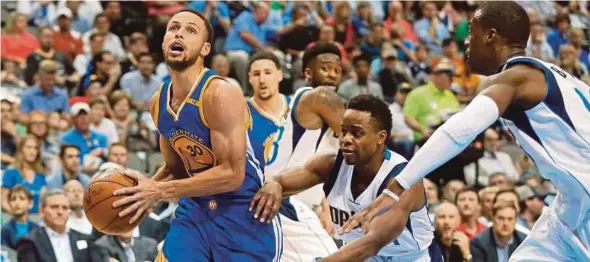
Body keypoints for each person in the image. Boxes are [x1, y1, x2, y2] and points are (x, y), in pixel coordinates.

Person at [345, 2, 590, 261]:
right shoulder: (560, 77)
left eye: (471, 34)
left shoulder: (515, 77)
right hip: (571, 207)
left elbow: (460, 129)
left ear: (490, 36)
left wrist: (397, 186)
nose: (466, 43)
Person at [111, 9, 281, 261]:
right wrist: (142, 195)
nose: (179, 32)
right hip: (195, 212)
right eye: (173, 28)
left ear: (205, 49)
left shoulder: (219, 93)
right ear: (164, 40)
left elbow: (232, 175)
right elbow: (174, 167)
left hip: (244, 213)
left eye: (190, 30)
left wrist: (157, 191)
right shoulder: (158, 102)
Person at [251, 95, 439, 261]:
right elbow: (280, 181)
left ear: (381, 137)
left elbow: (372, 243)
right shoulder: (329, 165)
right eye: (343, 131)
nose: (346, 139)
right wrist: (274, 184)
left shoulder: (403, 180)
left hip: (412, 258)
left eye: (357, 133)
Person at [246, 51, 338, 261]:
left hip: (307, 203)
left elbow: (323, 156)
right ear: (249, 78)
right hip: (277, 204)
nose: (262, 78)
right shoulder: (243, 115)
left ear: (279, 75)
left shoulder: (301, 105)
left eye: (268, 72)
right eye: (256, 73)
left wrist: (326, 207)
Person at [263, 43, 346, 214]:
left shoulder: (303, 98)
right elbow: (361, 139)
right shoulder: (320, 97)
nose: (332, 75)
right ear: (308, 73)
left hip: (292, 201)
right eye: (325, 68)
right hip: (285, 202)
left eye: (337, 71)